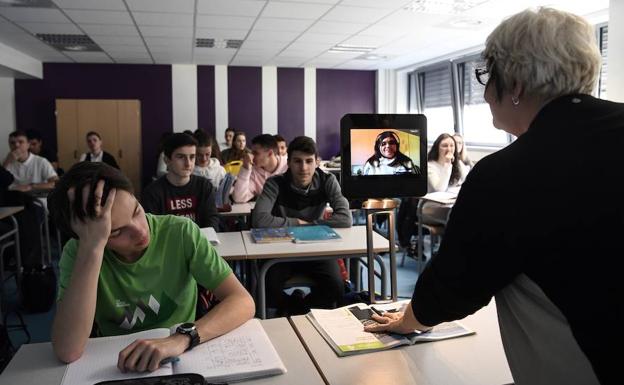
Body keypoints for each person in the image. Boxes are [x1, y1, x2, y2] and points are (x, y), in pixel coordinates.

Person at [364, 8, 615, 385]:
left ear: (513, 84)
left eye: (487, 76)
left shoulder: (509, 172)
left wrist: (407, 320)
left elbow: (453, 288)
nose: (483, 92)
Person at [48, 162, 254, 371]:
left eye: (136, 211)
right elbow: (68, 350)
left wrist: (181, 338)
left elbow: (243, 301)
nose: (140, 231)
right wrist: (92, 249)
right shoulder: (78, 253)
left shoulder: (180, 232)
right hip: (116, 360)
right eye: (116, 232)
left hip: (181, 353)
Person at [252, 136, 352, 315]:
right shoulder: (275, 183)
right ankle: (298, 306)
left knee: (337, 288)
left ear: (317, 162)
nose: (303, 168)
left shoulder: (327, 180)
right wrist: (296, 223)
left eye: (308, 161)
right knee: (266, 288)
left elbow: (345, 218)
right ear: (288, 162)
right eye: (297, 161)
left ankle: (297, 305)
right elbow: (259, 220)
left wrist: (311, 225)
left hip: (317, 249)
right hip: (281, 250)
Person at [142, 133, 219, 229]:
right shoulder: (152, 193)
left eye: (192, 157)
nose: (188, 164)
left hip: (199, 242)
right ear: (167, 160)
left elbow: (212, 220)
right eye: (181, 157)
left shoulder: (204, 186)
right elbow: (152, 230)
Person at [232, 134, 288, 203]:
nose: (252, 156)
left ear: (270, 153)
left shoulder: (288, 165)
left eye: (256, 153)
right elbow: (239, 198)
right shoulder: (254, 171)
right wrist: (245, 168)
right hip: (267, 213)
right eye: (252, 152)